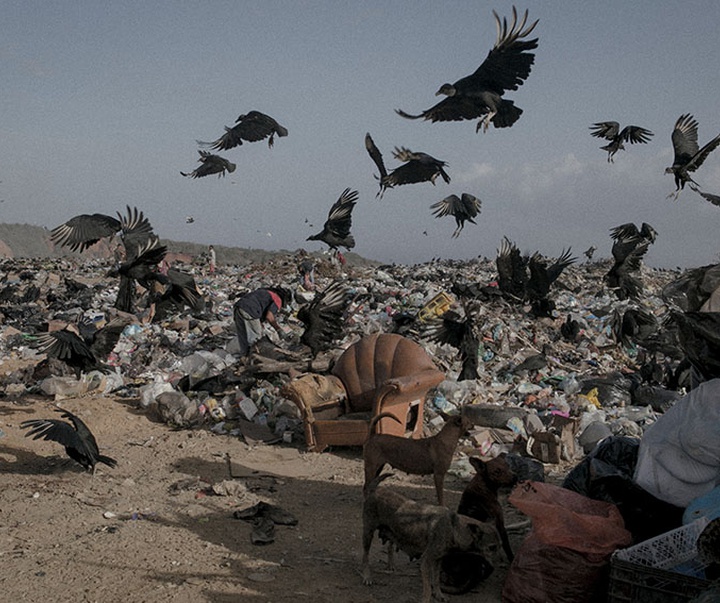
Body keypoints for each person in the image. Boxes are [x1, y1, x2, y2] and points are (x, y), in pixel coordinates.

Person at [233, 287, 291, 357]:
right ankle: (255, 358)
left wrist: (259, 323)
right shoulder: (277, 299)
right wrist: (278, 329)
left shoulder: (265, 292)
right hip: (250, 310)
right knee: (256, 340)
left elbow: (260, 307)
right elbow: (269, 316)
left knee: (243, 337)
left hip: (238, 307)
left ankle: (244, 357)